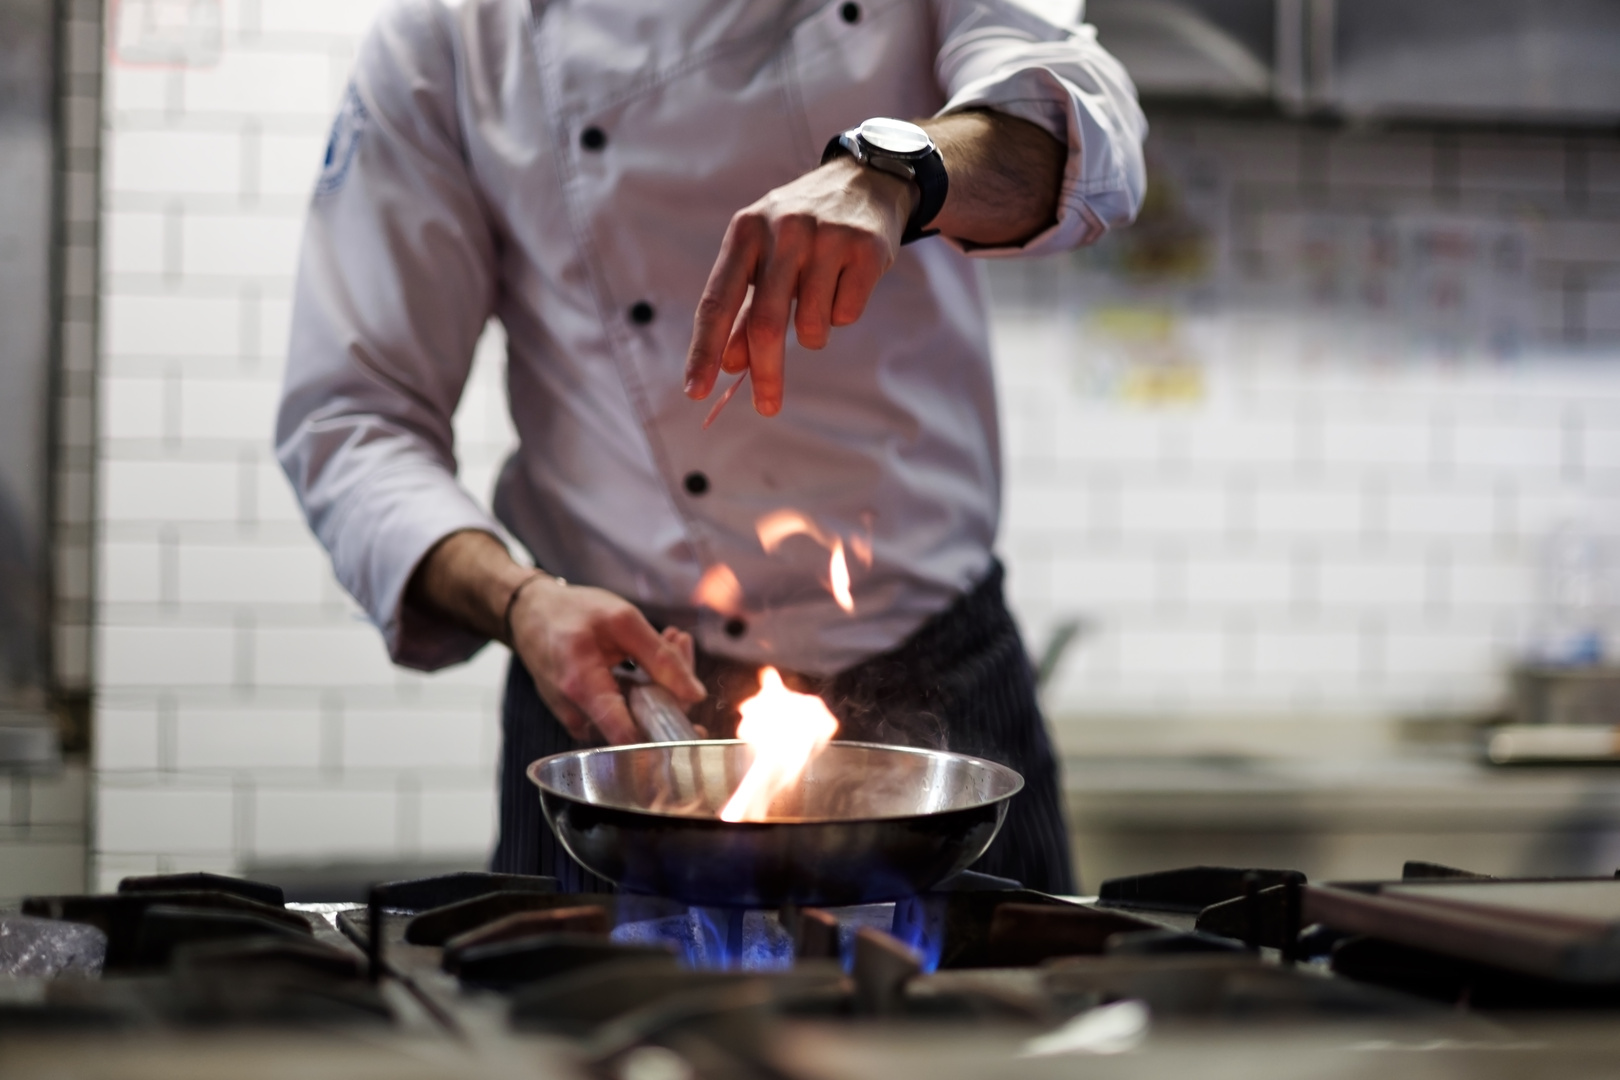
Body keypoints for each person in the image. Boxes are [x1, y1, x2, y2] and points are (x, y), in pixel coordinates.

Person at [277, 0, 1146, 894]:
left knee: (1006, 1030)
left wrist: (897, 169)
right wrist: (520, 602)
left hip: (942, 694)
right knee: (574, 1033)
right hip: (619, 712)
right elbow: (353, 417)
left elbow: (1093, 129)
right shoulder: (454, 37)